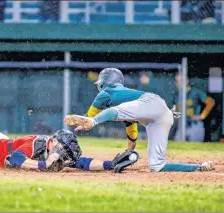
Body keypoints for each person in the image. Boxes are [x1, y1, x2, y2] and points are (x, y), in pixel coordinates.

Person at [0, 55, 139, 172]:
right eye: (60, 151)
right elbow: (15, 159)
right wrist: (43, 165)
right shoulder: (38, 146)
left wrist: (110, 164)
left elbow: (82, 162)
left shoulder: (55, 152)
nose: (62, 157)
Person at [64, 68, 214, 172]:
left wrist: (90, 122)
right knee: (157, 166)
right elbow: (131, 126)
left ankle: (95, 122)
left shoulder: (106, 92)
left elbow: (90, 116)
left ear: (104, 82)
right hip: (163, 113)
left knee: (112, 111)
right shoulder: (128, 102)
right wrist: (130, 150)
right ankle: (199, 166)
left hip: (151, 103)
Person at [174, 73, 215, 142]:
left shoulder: (195, 91)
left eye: (181, 80)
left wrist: (202, 116)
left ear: (187, 81)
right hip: (182, 125)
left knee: (194, 148)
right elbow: (177, 110)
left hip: (194, 125)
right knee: (178, 146)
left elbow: (211, 101)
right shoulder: (177, 95)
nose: (179, 83)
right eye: (177, 81)